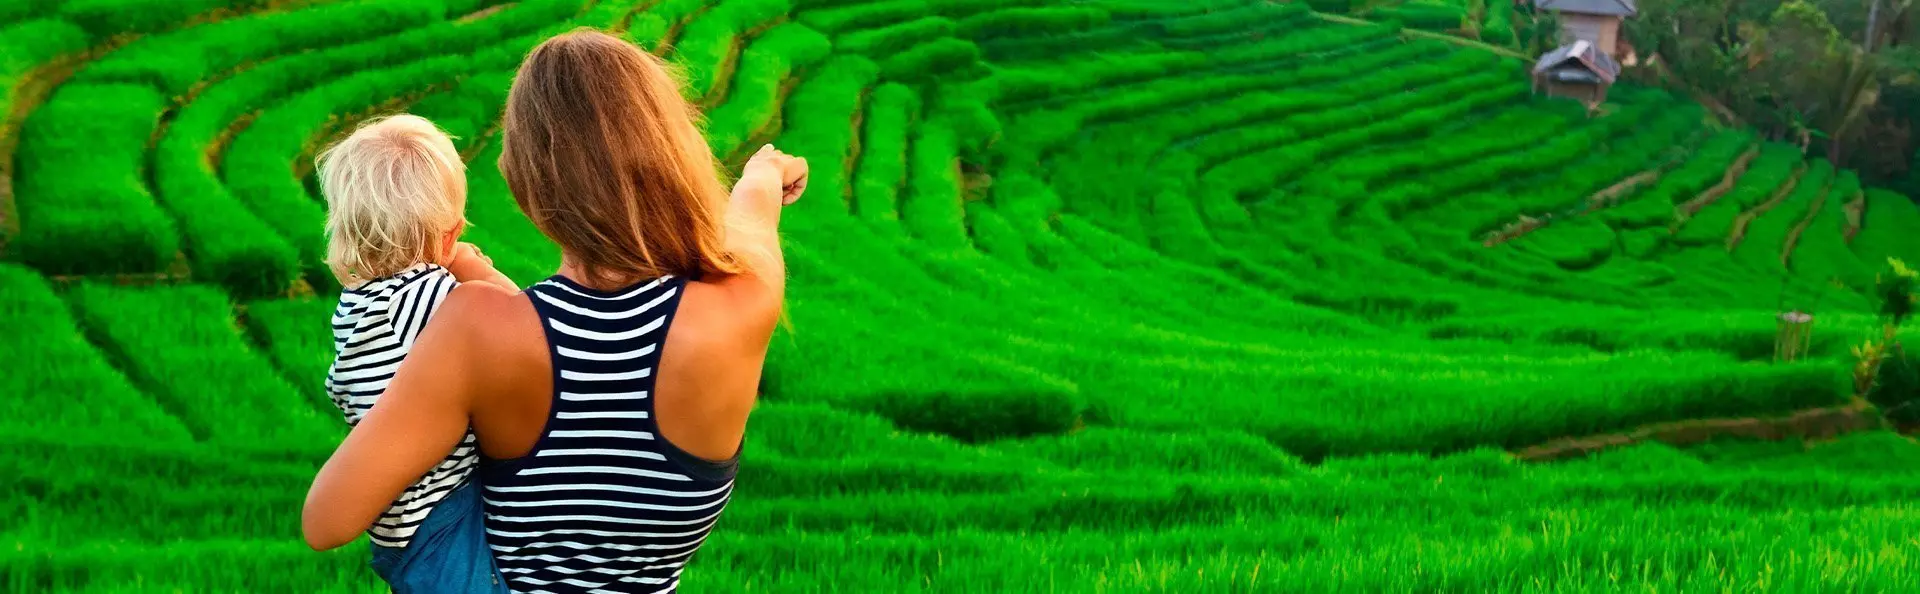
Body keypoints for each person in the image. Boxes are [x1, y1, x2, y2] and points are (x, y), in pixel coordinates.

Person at [302, 28, 807, 594]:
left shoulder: (478, 327)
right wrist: (764, 175)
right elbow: (753, 225)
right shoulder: (746, 302)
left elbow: (326, 522)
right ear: (668, 155)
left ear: (523, 181)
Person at [315, 113, 515, 594]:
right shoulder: (426, 295)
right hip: (444, 510)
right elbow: (525, 321)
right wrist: (471, 267)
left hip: (400, 526)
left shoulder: (357, 302)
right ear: (447, 236)